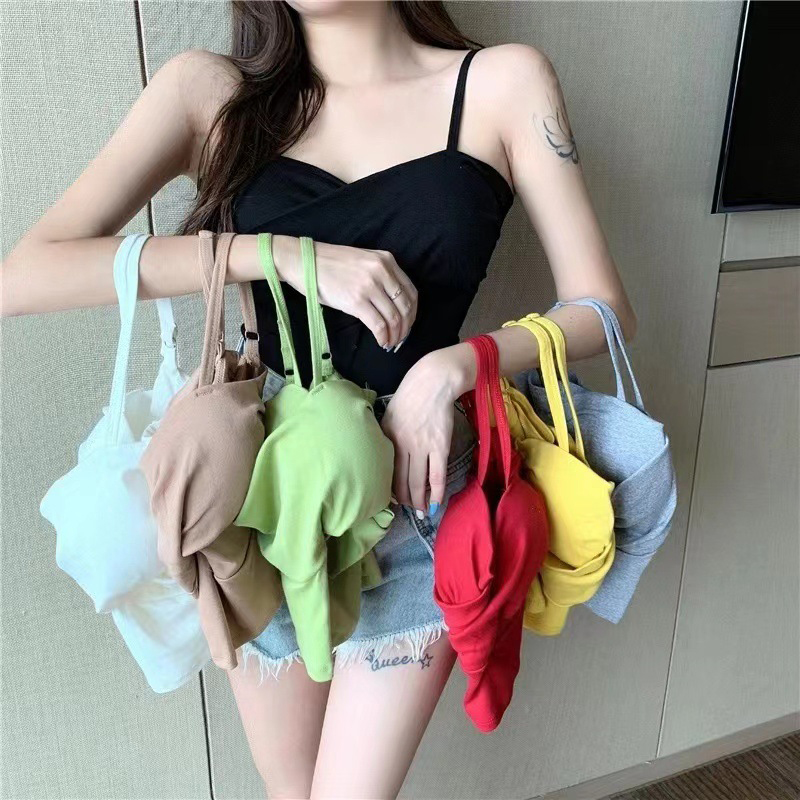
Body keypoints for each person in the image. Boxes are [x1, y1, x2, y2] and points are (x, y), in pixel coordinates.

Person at [3, 2, 636, 797]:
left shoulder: (501, 84)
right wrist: (271, 255)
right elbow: (23, 276)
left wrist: (456, 365)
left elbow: (603, 310)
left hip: (419, 487)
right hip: (264, 484)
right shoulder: (210, 94)